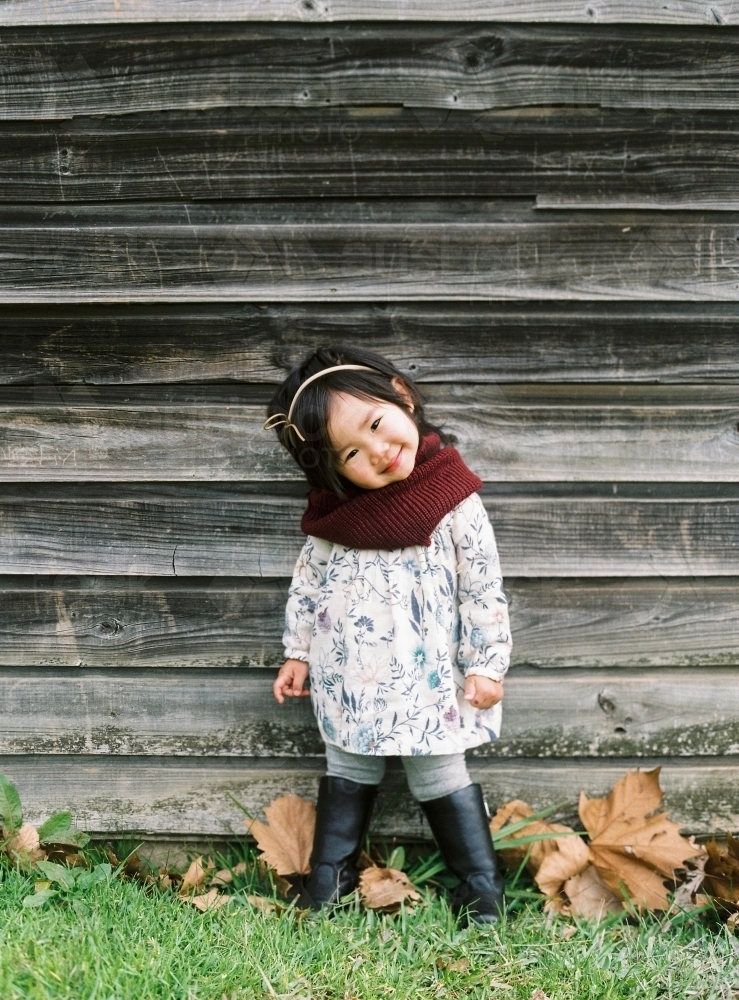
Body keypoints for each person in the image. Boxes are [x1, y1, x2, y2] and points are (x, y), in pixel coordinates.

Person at [264, 346, 512, 923]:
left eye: (376, 424)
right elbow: (308, 586)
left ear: (402, 397)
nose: (377, 450)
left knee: (440, 770)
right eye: (351, 451)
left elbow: (482, 588)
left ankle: (482, 893)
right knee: (348, 765)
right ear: (332, 469)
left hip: (426, 678)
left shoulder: (453, 500)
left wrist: (487, 664)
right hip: (348, 672)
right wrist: (297, 652)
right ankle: (329, 884)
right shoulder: (333, 520)